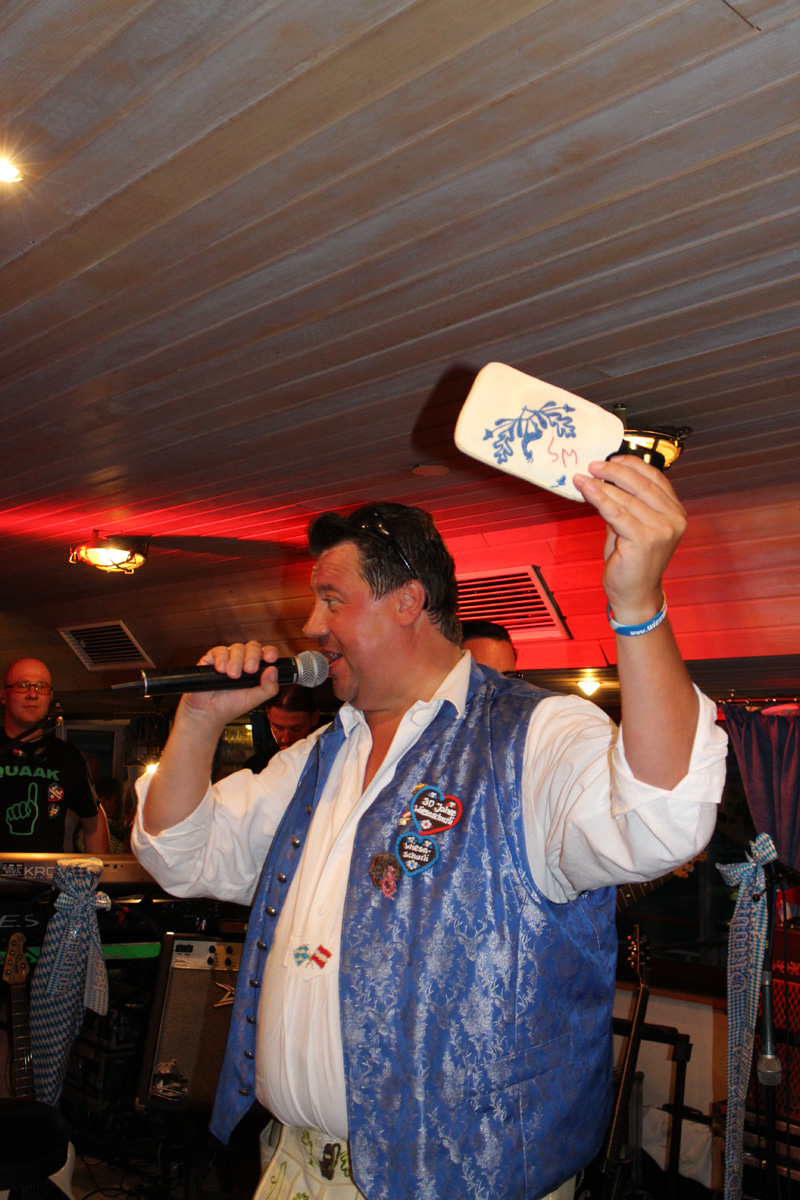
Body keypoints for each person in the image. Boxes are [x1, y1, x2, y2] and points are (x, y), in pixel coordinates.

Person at [132, 458, 728, 1200]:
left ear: (408, 601)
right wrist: (196, 722)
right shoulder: (321, 755)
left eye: (331, 599)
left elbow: (663, 821)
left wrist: (637, 606)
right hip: (293, 1166)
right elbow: (182, 854)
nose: (310, 626)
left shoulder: (532, 733)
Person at [0, 659, 109, 853]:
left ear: (50, 696)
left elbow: (94, 820)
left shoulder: (67, 756)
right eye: (22, 686)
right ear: (3, 695)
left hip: (47, 872)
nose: (32, 694)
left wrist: (101, 870)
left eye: (41, 687)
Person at [243, 685, 321, 773]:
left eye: (296, 728)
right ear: (268, 715)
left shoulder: (326, 764)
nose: (285, 739)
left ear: (314, 718)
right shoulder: (255, 767)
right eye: (278, 727)